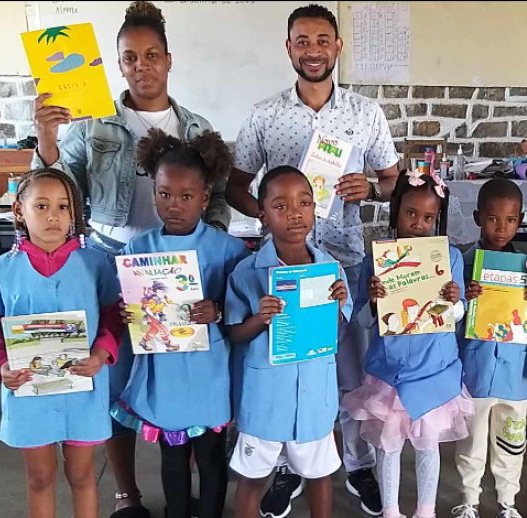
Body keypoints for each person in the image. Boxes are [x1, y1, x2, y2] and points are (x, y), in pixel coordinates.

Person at [30, 3, 231, 516]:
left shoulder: (197, 126)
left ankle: (186, 495)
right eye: (130, 57)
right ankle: (127, 493)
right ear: (117, 65)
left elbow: (220, 199)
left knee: (179, 381)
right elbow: (61, 191)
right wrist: (48, 141)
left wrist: (205, 259)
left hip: (181, 270)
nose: (142, 65)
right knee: (116, 382)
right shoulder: (93, 123)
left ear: (168, 60)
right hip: (111, 262)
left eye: (151, 55)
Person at [225, 4, 398, 516]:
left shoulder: (365, 113)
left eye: (322, 40)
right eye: (302, 41)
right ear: (289, 48)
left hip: (339, 264)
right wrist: (269, 214)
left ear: (337, 47)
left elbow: (392, 182)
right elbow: (235, 183)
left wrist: (371, 186)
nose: (313, 50)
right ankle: (284, 466)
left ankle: (355, 464)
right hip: (278, 266)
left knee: (345, 372)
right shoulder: (264, 114)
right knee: (284, 362)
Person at [110, 129, 249, 518]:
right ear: (153, 191)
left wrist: (218, 310)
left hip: (209, 372)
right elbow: (130, 305)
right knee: (172, 457)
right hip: (166, 372)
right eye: (164, 193)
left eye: (186, 196)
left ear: (205, 198)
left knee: (210, 457)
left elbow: (245, 305)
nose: (174, 204)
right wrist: (129, 312)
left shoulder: (229, 249)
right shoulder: (138, 250)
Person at [0, 168, 123, 518]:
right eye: (41, 206)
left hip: (82, 388)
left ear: (74, 214)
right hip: (28, 389)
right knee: (40, 477)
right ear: (18, 211)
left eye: (62, 206)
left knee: (82, 474)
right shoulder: (4, 269)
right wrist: (0, 365)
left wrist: (102, 353)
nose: (53, 215)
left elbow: (114, 315)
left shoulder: (95, 265)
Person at [343, 170, 474, 518]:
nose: (418, 223)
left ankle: (425, 511)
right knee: (389, 446)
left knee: (428, 444)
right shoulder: (377, 259)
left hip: (434, 369)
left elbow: (458, 316)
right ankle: (390, 511)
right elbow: (363, 321)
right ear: (395, 210)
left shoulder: (451, 258)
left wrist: (454, 300)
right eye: (411, 213)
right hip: (391, 372)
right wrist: (373, 301)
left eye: (429, 217)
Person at [226, 166, 352, 518]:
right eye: (280, 206)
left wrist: (339, 304)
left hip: (314, 398)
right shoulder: (247, 273)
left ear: (315, 208)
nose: (294, 213)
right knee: (251, 479)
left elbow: (338, 329)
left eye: (304, 203)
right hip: (265, 400)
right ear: (262, 214)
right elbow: (235, 334)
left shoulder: (330, 269)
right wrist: (259, 319)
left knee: (319, 476)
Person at [451, 178, 527, 518]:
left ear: (520, 219)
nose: (501, 227)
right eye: (493, 218)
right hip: (474, 369)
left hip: (515, 371)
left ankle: (508, 501)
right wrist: (464, 296)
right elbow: (450, 317)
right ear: (478, 217)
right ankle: (469, 499)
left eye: (510, 219)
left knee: (512, 438)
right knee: (471, 440)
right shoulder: (461, 264)